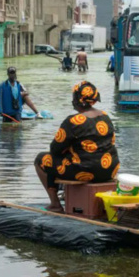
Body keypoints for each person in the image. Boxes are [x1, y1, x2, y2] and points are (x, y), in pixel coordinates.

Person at [35, 81, 120, 212]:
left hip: (86, 171)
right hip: (109, 169)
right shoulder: (105, 116)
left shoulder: (73, 121)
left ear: (77, 100)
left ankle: (55, 204)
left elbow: (55, 149)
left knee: (42, 159)